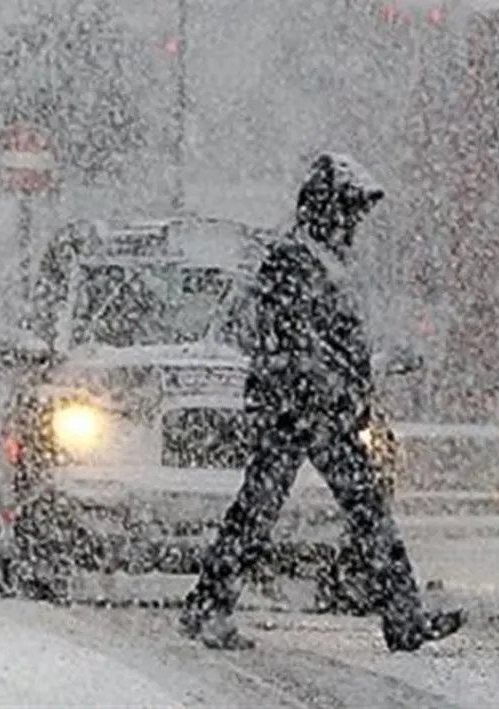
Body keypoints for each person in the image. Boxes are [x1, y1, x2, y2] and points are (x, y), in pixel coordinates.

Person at [179, 152, 465, 652]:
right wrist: (329, 386)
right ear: (328, 210)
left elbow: (320, 345)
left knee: (268, 509)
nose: (355, 224)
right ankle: (401, 617)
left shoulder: (319, 262)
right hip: (305, 409)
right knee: (356, 509)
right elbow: (295, 341)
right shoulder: (295, 261)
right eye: (350, 212)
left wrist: (363, 370)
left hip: (309, 408)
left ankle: (210, 604)